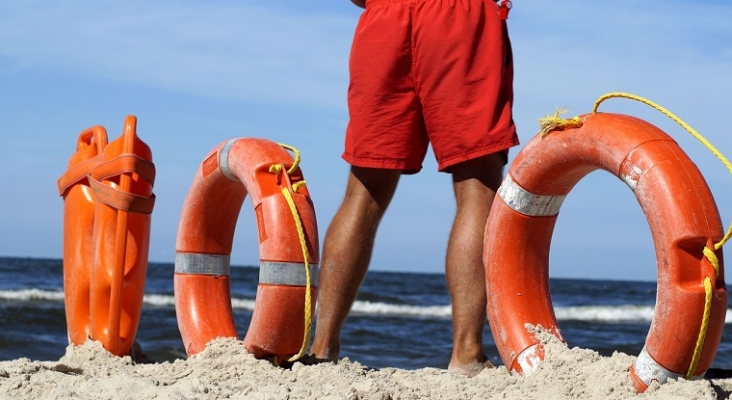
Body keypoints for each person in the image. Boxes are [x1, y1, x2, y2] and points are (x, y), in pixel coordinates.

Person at [309, 0, 518, 376]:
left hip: (383, 18)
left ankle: (323, 348)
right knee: (478, 187)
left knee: (364, 190)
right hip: (460, 19)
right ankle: (467, 354)